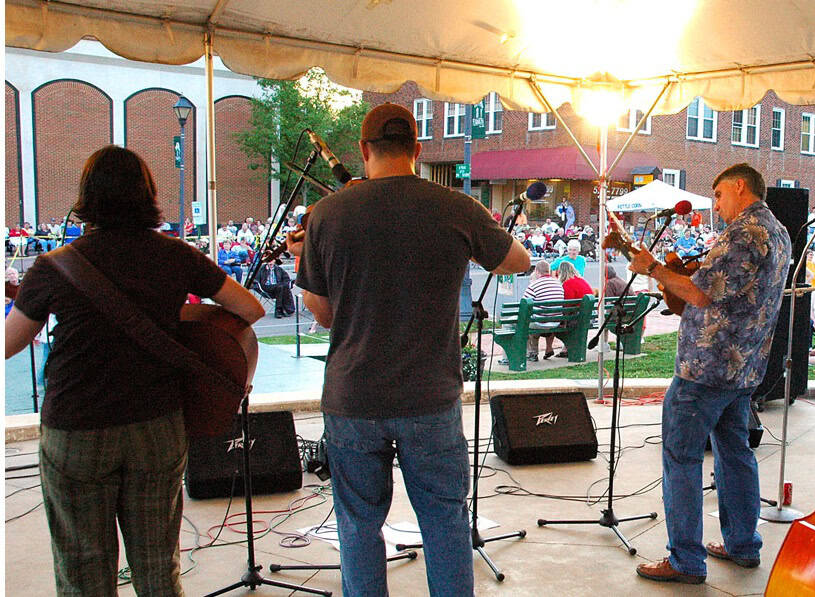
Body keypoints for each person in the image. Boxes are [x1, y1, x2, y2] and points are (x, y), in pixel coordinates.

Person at [292, 103, 529, 596]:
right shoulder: (455, 207)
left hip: (353, 396)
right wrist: (476, 227)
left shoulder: (329, 214)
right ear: (417, 150)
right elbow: (518, 261)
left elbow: (321, 309)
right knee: (444, 519)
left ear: (363, 150)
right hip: (430, 396)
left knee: (358, 524)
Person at [4, 145, 263, 595]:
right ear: (147, 195)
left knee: (83, 568)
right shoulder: (176, 255)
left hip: (77, 428)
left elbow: (9, 344)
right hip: (156, 425)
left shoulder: (55, 267)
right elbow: (250, 308)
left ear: (86, 197)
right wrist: (180, 326)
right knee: (158, 565)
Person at [629, 162, 790, 585]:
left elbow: (700, 292)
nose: (716, 205)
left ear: (740, 187)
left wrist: (654, 270)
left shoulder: (743, 234)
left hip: (706, 369)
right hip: (745, 367)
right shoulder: (778, 230)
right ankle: (742, 544)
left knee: (681, 459)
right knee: (735, 453)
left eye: (718, 195)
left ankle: (685, 560)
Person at [519, 259, 564, 361]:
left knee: (524, 322)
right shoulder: (558, 284)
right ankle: (533, 353)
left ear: (537, 272)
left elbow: (524, 306)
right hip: (555, 322)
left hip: (540, 322)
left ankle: (531, 353)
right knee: (535, 319)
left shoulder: (533, 286)